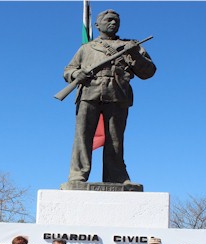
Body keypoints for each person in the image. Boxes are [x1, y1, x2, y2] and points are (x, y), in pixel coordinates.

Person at [63, 9, 156, 184]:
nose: (113, 23)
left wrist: (135, 53)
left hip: (117, 94)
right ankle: (77, 175)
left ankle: (116, 176)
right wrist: (76, 74)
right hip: (89, 93)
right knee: (83, 136)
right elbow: (68, 70)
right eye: (109, 20)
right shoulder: (86, 48)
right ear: (97, 25)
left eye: (116, 21)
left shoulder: (131, 46)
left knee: (115, 138)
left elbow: (149, 72)